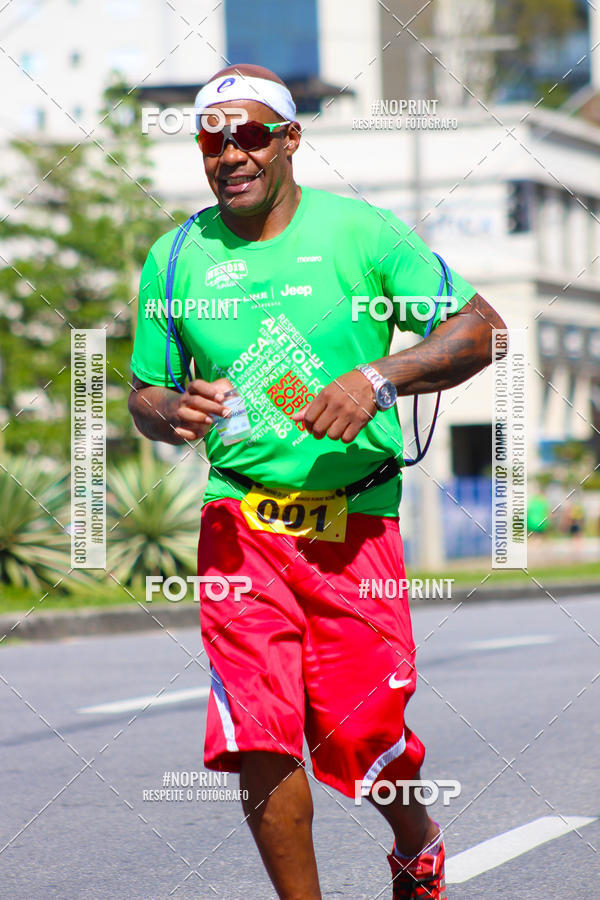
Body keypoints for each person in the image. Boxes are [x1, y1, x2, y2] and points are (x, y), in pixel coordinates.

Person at [128, 62, 506, 900]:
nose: (231, 154)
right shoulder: (175, 255)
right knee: (256, 736)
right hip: (240, 529)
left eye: (251, 134)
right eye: (212, 138)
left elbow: (483, 330)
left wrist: (379, 378)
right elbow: (144, 392)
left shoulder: (364, 235)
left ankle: (417, 834)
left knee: (362, 731)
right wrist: (169, 410)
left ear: (290, 139)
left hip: (354, 525)